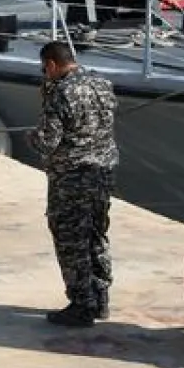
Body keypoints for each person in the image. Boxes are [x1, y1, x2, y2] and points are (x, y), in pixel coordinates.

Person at [30, 40, 118, 328]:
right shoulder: (102, 84)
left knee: (70, 240)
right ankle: (100, 297)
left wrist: (32, 135)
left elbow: (47, 142)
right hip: (102, 173)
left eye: (45, 69)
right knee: (96, 233)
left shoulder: (61, 93)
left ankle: (81, 304)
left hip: (71, 178)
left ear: (53, 65)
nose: (45, 74)